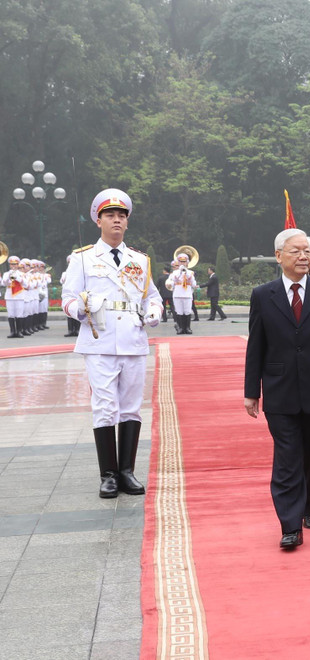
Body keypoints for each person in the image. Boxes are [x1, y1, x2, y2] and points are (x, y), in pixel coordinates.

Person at [244, 228, 310, 550]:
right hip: (280, 390)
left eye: (308, 251)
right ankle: (290, 525)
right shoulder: (264, 295)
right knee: (287, 456)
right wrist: (252, 391)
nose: (304, 256)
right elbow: (256, 346)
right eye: (296, 251)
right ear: (279, 256)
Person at [61, 189, 164, 498]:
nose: (116, 220)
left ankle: (127, 471)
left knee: (131, 408)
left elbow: (152, 296)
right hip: (99, 339)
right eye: (110, 215)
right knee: (105, 406)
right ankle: (108, 474)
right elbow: (67, 299)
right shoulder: (83, 259)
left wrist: (155, 311)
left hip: (133, 339)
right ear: (99, 221)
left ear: (127, 223)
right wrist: (79, 308)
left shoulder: (139, 260)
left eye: (122, 216)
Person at [166, 253, 197, 334]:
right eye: (181, 261)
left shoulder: (190, 272)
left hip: (187, 294)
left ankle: (187, 328)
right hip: (177, 294)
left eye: (184, 261)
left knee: (187, 311)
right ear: (178, 262)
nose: (182, 263)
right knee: (179, 311)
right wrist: (180, 272)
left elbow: (192, 282)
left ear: (187, 262)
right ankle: (180, 328)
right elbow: (172, 281)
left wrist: (185, 272)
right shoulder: (174, 273)